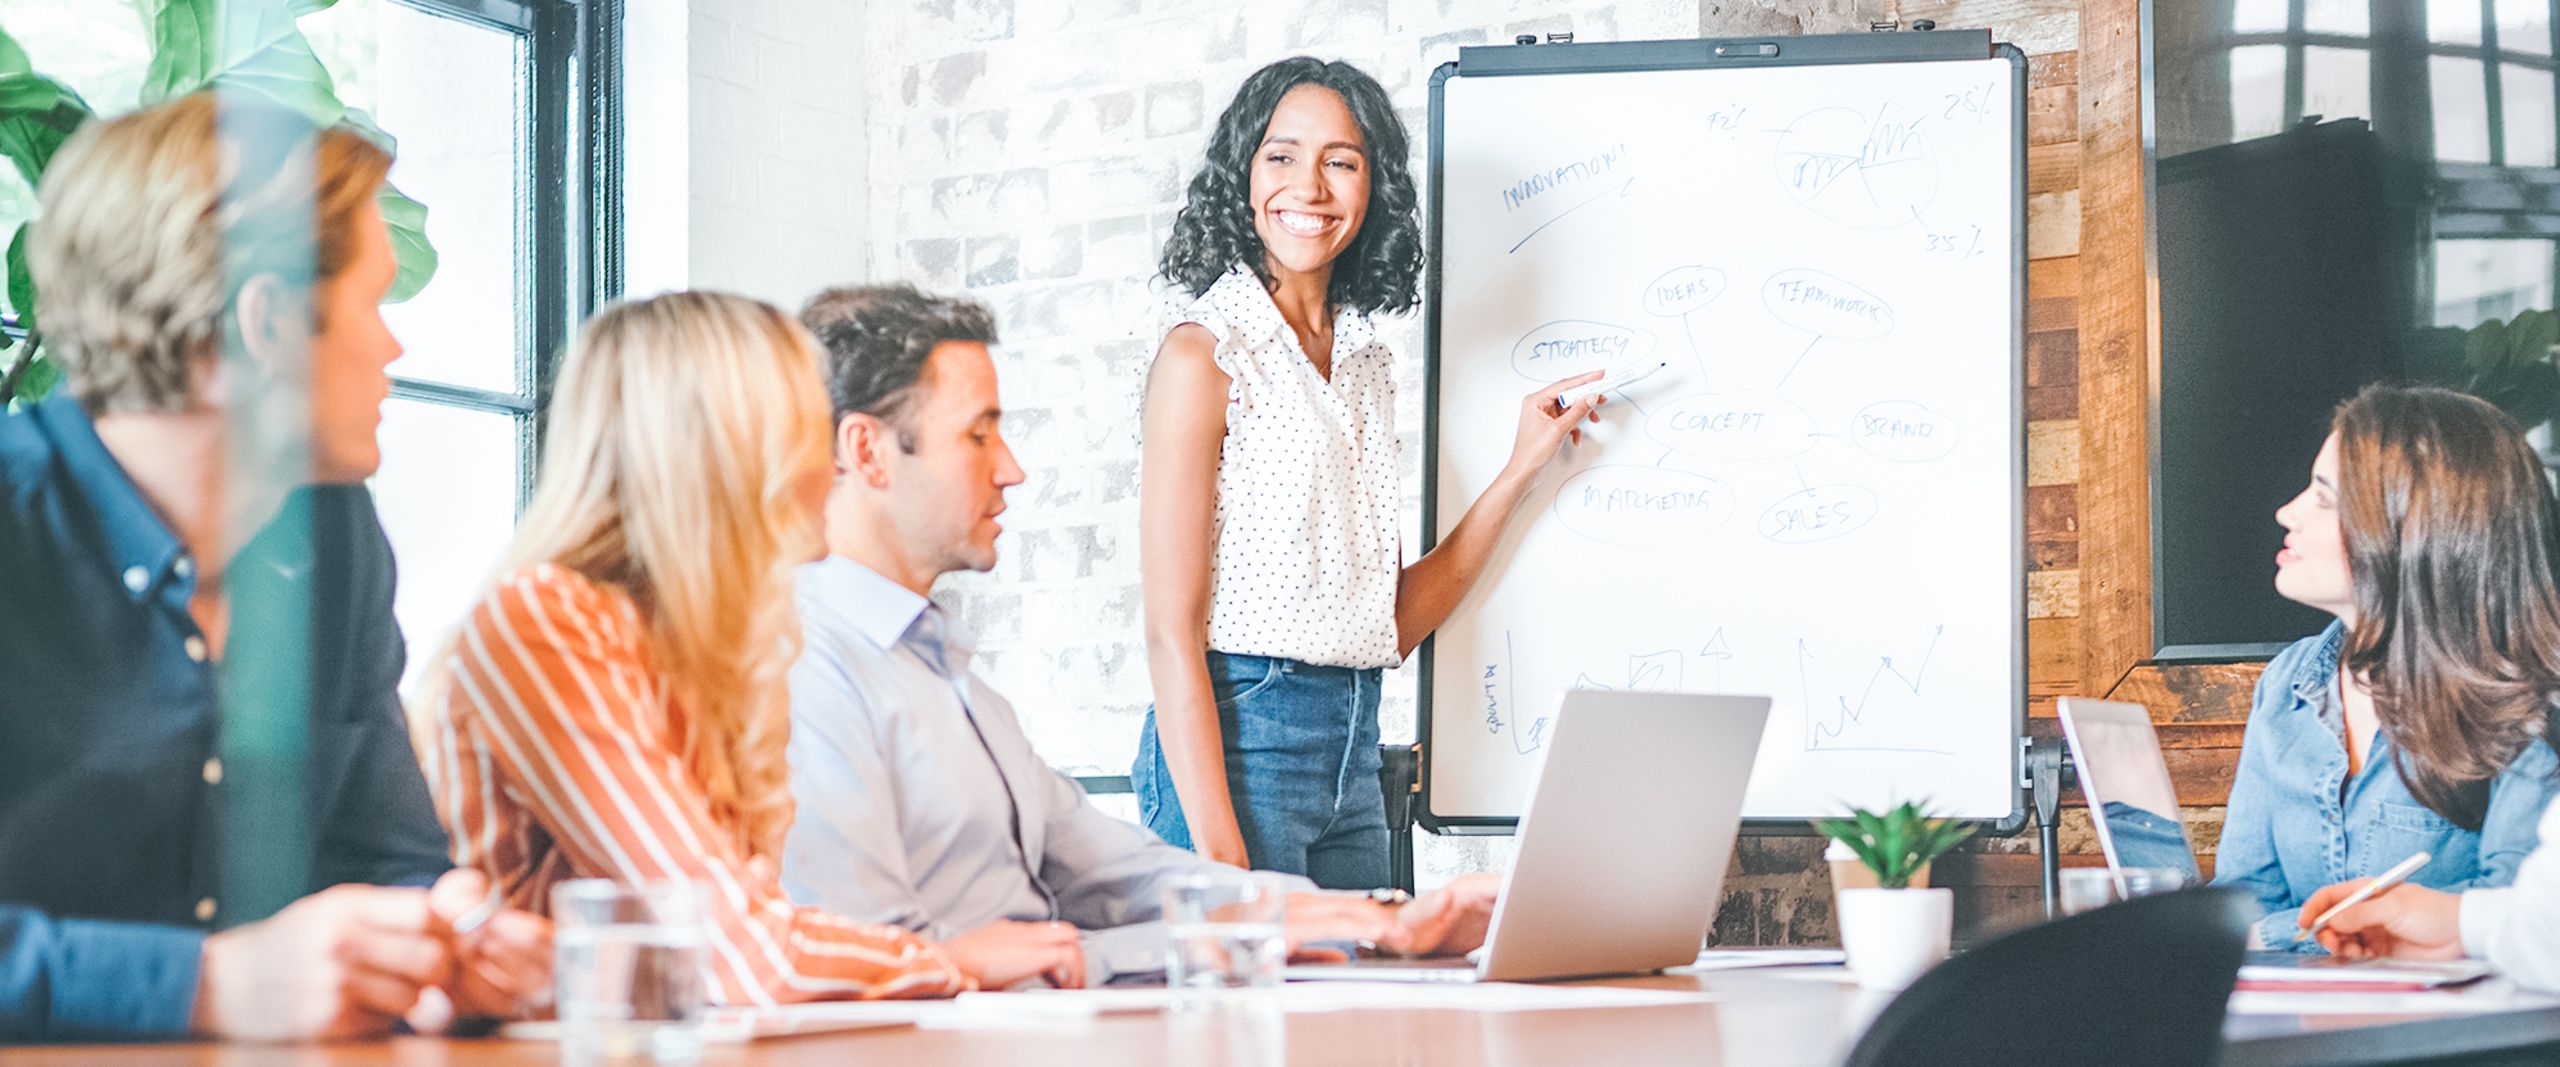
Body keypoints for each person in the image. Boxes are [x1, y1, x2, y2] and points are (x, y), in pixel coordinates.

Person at [0, 92, 545, 1041]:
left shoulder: (335, 536)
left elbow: (392, 858)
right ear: (265, 323)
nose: (394, 346)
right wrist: (204, 984)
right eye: (372, 303)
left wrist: (447, 934)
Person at [778, 285, 1497, 985]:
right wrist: (1108, 958)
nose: (1012, 469)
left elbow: (1122, 873)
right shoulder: (801, 676)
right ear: (867, 450)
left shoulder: (950, 681)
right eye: (977, 434)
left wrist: (1380, 919)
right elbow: (876, 967)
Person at [410, 290, 1078, 1007]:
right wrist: (947, 960)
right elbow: (740, 954)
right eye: (808, 428)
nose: (835, 464)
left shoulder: (716, 650)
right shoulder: (549, 619)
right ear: (735, 451)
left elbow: (729, 942)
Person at [1135, 57, 1604, 886]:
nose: (1309, 187)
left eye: (1341, 161)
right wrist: (1222, 856)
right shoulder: (1205, 353)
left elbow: (1389, 622)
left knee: (1366, 977)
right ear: (1244, 174)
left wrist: (1520, 470)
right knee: (1252, 977)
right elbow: (1171, 630)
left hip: (1354, 755)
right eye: (1282, 155)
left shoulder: (1363, 362)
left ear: (1372, 185)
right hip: (1238, 744)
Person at [2213, 384, 2560, 951]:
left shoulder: (2524, 699)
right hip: (2299, 1007)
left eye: (2325, 498)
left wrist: (2281, 933)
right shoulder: (2287, 683)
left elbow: (2518, 918)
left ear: (2415, 529)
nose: (2287, 512)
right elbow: (2243, 904)